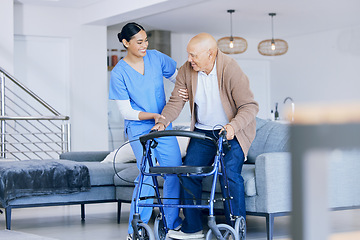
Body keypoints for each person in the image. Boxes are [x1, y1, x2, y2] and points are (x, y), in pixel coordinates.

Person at [152, 32, 259, 239]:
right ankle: (192, 228)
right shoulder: (187, 70)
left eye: (193, 55)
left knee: (229, 174)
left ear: (210, 54)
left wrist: (232, 127)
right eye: (188, 55)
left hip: (232, 131)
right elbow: (176, 101)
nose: (189, 59)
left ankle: (235, 228)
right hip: (203, 132)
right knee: (189, 173)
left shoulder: (230, 69)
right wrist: (162, 121)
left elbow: (249, 106)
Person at [108, 22, 187, 240]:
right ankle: (136, 229)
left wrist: (184, 91)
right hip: (139, 129)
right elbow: (126, 111)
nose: (144, 45)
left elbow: (178, 77)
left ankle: (172, 224)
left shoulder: (155, 58)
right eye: (139, 42)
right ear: (126, 43)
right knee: (147, 175)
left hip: (163, 126)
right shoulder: (119, 73)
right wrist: (151, 115)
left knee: (174, 172)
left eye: (146, 40)